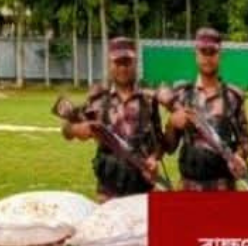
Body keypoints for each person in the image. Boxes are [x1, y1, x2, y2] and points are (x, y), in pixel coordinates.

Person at [55, 36, 166, 201]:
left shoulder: (149, 98)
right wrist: (75, 129)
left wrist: (154, 158)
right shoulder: (98, 99)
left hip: (142, 188)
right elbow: (66, 129)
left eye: (127, 62)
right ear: (109, 63)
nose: (123, 68)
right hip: (108, 191)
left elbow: (159, 140)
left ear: (135, 63)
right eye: (118, 63)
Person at [161, 28, 248, 191]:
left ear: (220, 55)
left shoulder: (233, 97)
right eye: (203, 52)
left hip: (224, 187)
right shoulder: (182, 94)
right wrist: (172, 123)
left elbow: (245, 142)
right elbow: (169, 147)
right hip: (188, 187)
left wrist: (238, 156)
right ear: (196, 54)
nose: (208, 58)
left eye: (212, 52)